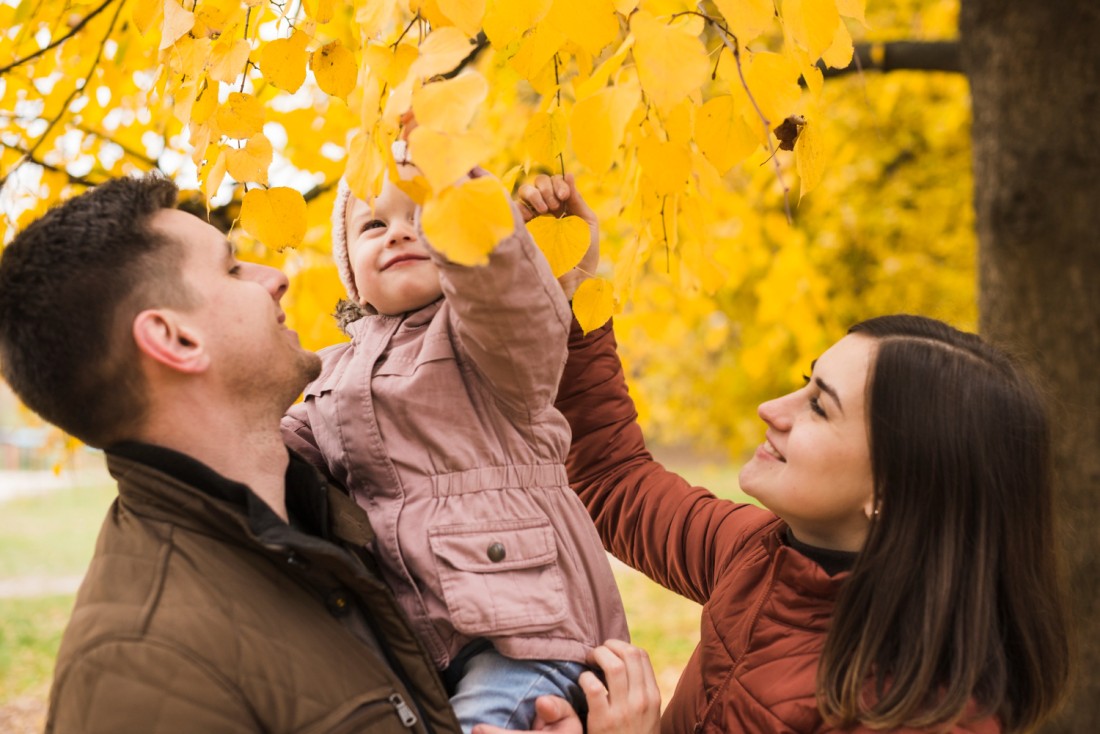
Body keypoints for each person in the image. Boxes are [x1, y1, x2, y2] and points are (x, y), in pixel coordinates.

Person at [0, 173, 656, 733]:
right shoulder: (144, 668)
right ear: (175, 337)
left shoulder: (314, 520)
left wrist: (521, 239)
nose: (278, 275)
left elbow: (515, 330)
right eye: (233, 269)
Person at [548, 269, 1070, 729]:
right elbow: (613, 479)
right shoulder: (759, 555)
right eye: (805, 383)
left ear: (892, 487)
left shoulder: (924, 717)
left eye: (819, 406)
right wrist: (578, 291)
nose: (770, 407)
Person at [280, 154, 629, 732]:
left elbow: (512, 308)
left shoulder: (482, 338)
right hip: (425, 640)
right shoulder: (334, 372)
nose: (399, 231)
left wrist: (474, 211)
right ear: (349, 267)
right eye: (373, 224)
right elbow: (285, 447)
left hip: (532, 631)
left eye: (425, 214)